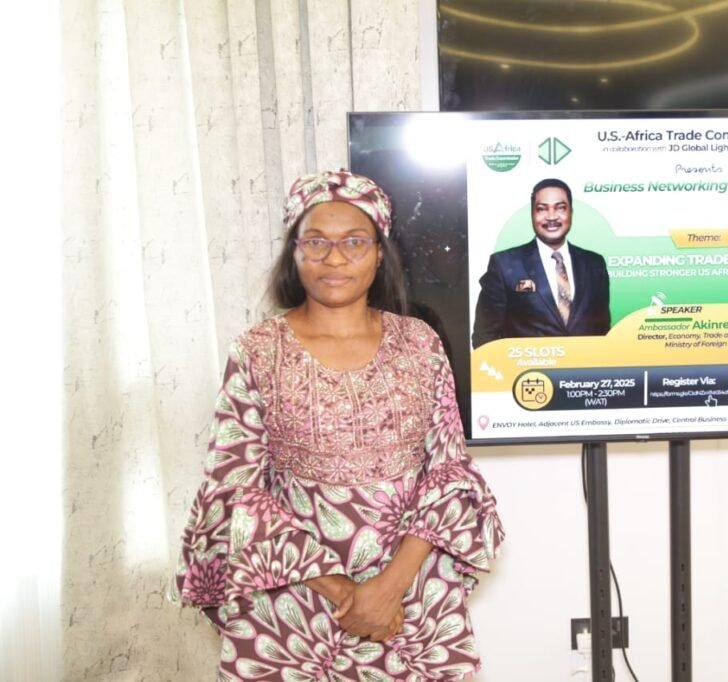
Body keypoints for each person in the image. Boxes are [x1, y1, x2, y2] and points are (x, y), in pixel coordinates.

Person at [170, 169, 504, 680]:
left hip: (410, 601)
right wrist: (347, 594)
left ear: (379, 253)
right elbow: (233, 489)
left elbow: (449, 474)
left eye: (353, 242)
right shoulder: (257, 351)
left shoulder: (420, 343)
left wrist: (387, 590)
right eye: (316, 242)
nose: (334, 258)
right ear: (294, 252)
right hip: (291, 604)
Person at [471, 178, 611, 349]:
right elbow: (485, 336)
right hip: (527, 366)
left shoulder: (594, 264)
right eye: (542, 209)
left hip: (582, 365)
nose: (551, 217)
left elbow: (602, 331)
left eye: (560, 208)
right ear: (532, 214)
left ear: (571, 213)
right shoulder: (504, 264)